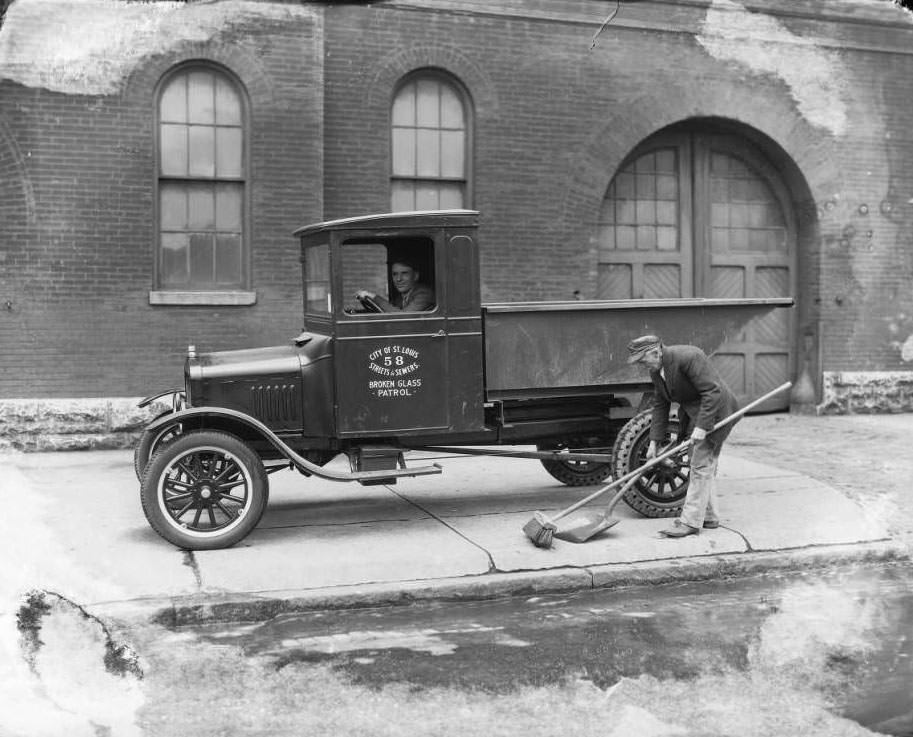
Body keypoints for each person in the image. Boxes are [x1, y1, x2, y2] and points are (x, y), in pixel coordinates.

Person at [626, 334, 739, 538]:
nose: (641, 364)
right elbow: (661, 404)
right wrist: (654, 441)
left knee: (700, 463)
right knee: (705, 464)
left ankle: (690, 522)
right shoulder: (656, 371)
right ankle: (710, 516)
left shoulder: (689, 357)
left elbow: (713, 391)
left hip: (716, 411)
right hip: (695, 414)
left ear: (656, 351)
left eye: (642, 359)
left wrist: (702, 427)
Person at [354, 259, 435, 312]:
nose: (398, 279)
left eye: (404, 273)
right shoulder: (401, 298)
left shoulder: (424, 294)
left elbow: (403, 317)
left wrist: (374, 297)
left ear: (415, 276)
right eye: (395, 274)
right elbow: (390, 308)